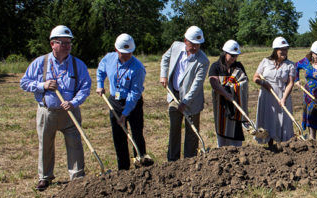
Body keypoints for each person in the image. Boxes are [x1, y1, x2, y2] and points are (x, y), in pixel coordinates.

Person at [20, 25, 91, 191]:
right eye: (63, 43)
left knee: (75, 144)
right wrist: (42, 85)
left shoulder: (77, 64)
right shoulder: (40, 63)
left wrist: (74, 102)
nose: (67, 46)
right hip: (47, 112)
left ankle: (77, 177)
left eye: (69, 43)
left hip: (70, 112)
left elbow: (85, 86)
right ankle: (45, 177)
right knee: (45, 144)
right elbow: (24, 83)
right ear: (53, 44)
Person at [96, 33, 149, 170]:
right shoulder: (109, 58)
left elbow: (134, 93)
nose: (126, 55)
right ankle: (123, 168)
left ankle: (141, 162)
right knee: (118, 136)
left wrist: (125, 113)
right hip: (115, 101)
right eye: (123, 53)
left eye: (129, 53)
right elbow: (101, 70)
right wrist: (100, 84)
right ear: (116, 50)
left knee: (136, 133)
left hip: (133, 103)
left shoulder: (137, 68)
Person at [160, 26, 209, 161]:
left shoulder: (203, 61)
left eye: (197, 45)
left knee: (192, 132)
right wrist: (163, 76)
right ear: (185, 40)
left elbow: (196, 85)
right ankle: (172, 161)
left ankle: (190, 161)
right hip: (174, 95)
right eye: (192, 44)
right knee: (174, 130)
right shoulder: (176, 46)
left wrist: (185, 101)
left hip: (192, 101)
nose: (194, 47)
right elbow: (165, 58)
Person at [254, 37, 297, 147]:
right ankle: (270, 145)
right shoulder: (265, 62)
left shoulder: (290, 65)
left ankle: (282, 146)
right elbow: (255, 77)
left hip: (282, 96)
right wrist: (263, 83)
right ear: (275, 50)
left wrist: (284, 98)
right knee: (268, 120)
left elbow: (290, 83)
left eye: (286, 49)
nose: (284, 52)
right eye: (281, 49)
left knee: (281, 121)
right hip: (266, 96)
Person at [209, 40, 249, 148]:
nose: (234, 58)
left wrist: (232, 90)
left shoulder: (238, 66)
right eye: (232, 55)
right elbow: (214, 83)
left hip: (236, 104)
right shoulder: (216, 66)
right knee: (222, 129)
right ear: (225, 53)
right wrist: (225, 93)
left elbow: (244, 83)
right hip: (221, 104)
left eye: (236, 56)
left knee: (235, 131)